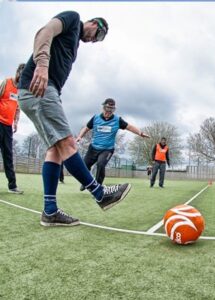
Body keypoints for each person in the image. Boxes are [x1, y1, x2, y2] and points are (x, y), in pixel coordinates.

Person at [18, 11, 131, 227]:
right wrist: (41, 65)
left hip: (43, 92)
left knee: (55, 150)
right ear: (92, 23)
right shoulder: (72, 19)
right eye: (97, 35)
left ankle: (50, 211)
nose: (93, 41)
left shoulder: (74, 45)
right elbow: (45, 31)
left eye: (98, 41)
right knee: (67, 143)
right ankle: (100, 193)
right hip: (40, 89)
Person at [76, 98, 149, 189]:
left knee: (101, 164)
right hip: (93, 148)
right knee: (85, 165)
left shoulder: (117, 120)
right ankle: (86, 182)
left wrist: (140, 133)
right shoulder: (95, 118)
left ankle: (97, 187)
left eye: (111, 110)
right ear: (103, 108)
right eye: (107, 109)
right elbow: (86, 128)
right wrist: (79, 136)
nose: (109, 112)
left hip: (107, 149)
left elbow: (129, 127)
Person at [0, 64, 25, 194]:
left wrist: (16, 122)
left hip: (8, 126)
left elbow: (17, 108)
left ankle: (12, 186)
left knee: (8, 155)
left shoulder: (19, 90)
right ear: (17, 73)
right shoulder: (6, 82)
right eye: (20, 77)